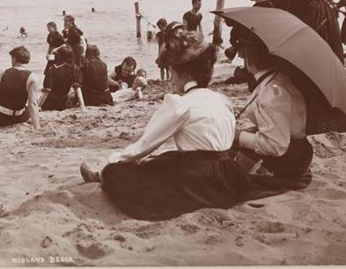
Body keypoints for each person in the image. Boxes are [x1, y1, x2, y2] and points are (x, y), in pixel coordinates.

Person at [79, 24, 249, 221]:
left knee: (117, 172)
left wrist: (111, 163)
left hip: (198, 180)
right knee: (166, 160)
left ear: (183, 75)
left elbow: (145, 145)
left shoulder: (180, 104)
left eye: (172, 72)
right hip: (228, 176)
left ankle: (102, 175)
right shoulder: (222, 100)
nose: (171, 78)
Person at [233, 33, 314, 184]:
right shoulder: (278, 79)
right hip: (296, 150)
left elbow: (275, 146)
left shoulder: (272, 92)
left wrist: (238, 136)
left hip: (289, 159)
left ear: (249, 60)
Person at [0, 46, 42, 129]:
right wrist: (37, 127)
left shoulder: (4, 72)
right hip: (16, 119)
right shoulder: (33, 77)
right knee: (33, 102)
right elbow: (32, 104)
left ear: (14, 59)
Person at [41, 45, 81, 111]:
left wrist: (38, 106)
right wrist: (82, 106)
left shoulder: (52, 69)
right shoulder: (75, 68)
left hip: (51, 103)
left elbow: (46, 91)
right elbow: (77, 89)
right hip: (65, 103)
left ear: (59, 56)